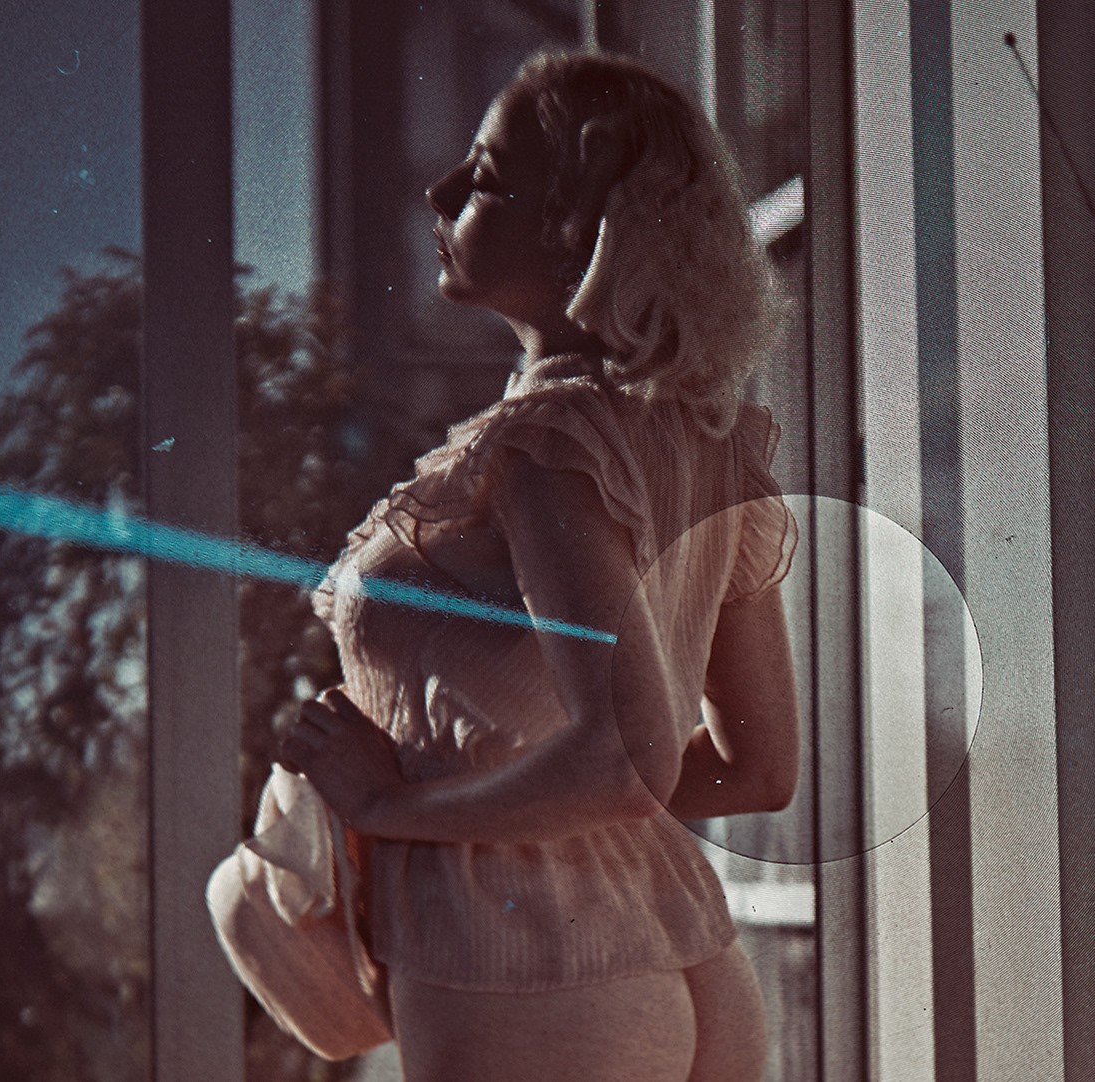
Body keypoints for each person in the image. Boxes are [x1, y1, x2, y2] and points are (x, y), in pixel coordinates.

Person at [274, 50, 801, 1082]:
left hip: (527, 967)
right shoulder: (703, 443)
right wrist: (531, 792)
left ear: (575, 225)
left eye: (482, 175)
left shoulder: (547, 444)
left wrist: (388, 806)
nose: (440, 193)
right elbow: (758, 768)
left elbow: (625, 761)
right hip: (678, 951)